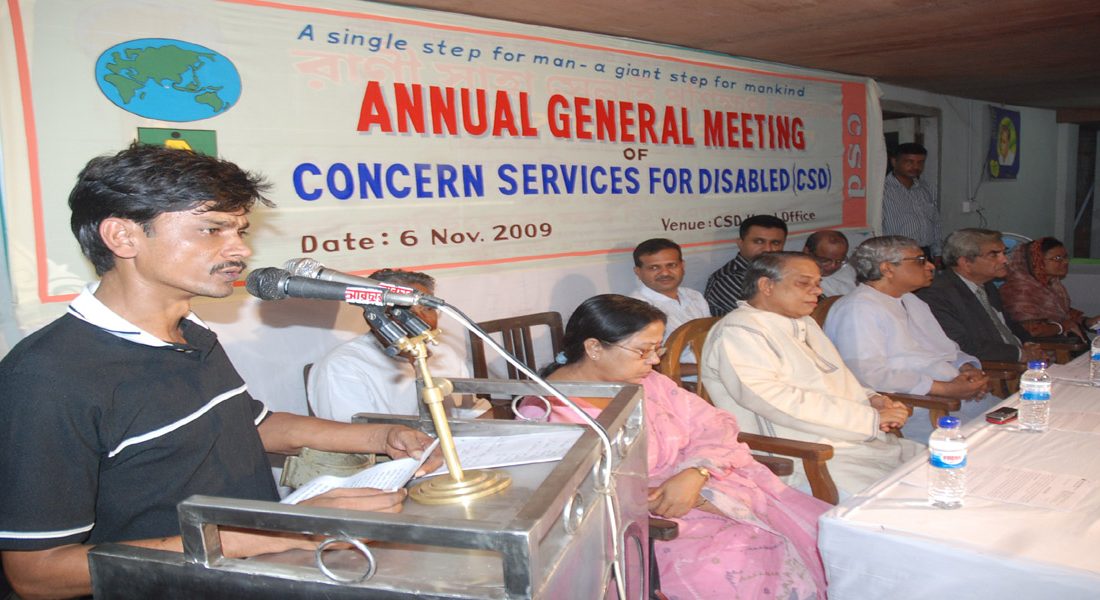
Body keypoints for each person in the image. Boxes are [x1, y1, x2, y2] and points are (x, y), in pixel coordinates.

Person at [0, 144, 440, 599]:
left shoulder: (191, 331)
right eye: (212, 230)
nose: (240, 249)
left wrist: (379, 438)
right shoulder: (46, 378)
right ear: (123, 237)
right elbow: (37, 575)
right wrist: (279, 532)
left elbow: (253, 424)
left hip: (254, 574)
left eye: (239, 230)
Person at [521, 295, 827, 600]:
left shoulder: (649, 381)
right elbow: (574, 501)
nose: (654, 361)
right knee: (734, 568)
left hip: (708, 487)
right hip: (642, 527)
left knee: (820, 534)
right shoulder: (546, 412)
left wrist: (697, 472)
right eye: (643, 351)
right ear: (594, 348)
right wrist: (667, 496)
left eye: (657, 349)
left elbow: (712, 424)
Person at [700, 252, 920, 499]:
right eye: (804, 283)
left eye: (817, 283)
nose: (816, 291)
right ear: (766, 285)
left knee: (941, 471)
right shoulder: (740, 331)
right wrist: (868, 418)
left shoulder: (803, 321)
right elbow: (774, 401)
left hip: (854, 440)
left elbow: (835, 376)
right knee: (902, 506)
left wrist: (871, 399)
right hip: (805, 454)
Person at [823, 236, 993, 440]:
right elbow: (867, 374)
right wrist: (945, 389)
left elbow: (946, 349)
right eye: (920, 260)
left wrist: (969, 370)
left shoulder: (912, 301)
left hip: (954, 393)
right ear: (887, 269)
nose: (930, 266)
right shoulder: (858, 308)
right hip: (916, 407)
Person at [308, 268, 484, 421]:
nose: (421, 320)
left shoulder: (444, 353)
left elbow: (473, 415)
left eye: (427, 309)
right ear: (376, 315)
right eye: (404, 311)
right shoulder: (343, 367)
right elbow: (352, 445)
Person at [915, 228, 1043, 362]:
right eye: (994, 255)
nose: (1005, 260)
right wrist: (1020, 354)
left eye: (1004, 253)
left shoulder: (988, 285)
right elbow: (960, 345)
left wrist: (1029, 344)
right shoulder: (937, 294)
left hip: (1018, 362)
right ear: (966, 263)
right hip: (994, 371)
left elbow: (1009, 325)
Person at [1000, 237, 1100, 341]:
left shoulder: (1051, 286)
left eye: (1066, 257)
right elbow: (1032, 330)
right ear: (1036, 261)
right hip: (1041, 351)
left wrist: (1090, 322)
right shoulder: (1019, 290)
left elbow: (1065, 316)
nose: (1065, 262)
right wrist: (1062, 327)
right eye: (1057, 258)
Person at [627, 238, 708, 363]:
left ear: (682, 266)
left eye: (671, 265)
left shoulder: (695, 296)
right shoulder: (635, 308)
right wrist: (707, 370)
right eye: (654, 268)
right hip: (680, 380)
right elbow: (647, 364)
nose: (665, 273)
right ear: (638, 272)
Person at [704, 214, 787, 316]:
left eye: (775, 243)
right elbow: (762, 318)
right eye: (759, 241)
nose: (768, 249)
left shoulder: (785, 271)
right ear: (740, 243)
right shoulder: (727, 279)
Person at [881, 143, 942, 259]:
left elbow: (935, 223)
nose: (915, 167)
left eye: (920, 162)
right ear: (894, 162)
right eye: (909, 162)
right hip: (896, 254)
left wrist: (938, 252)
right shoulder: (882, 191)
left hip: (925, 252)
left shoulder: (926, 189)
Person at [802, 230, 856, 296]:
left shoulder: (847, 270)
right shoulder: (795, 277)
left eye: (839, 261)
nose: (833, 266)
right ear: (807, 252)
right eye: (825, 260)